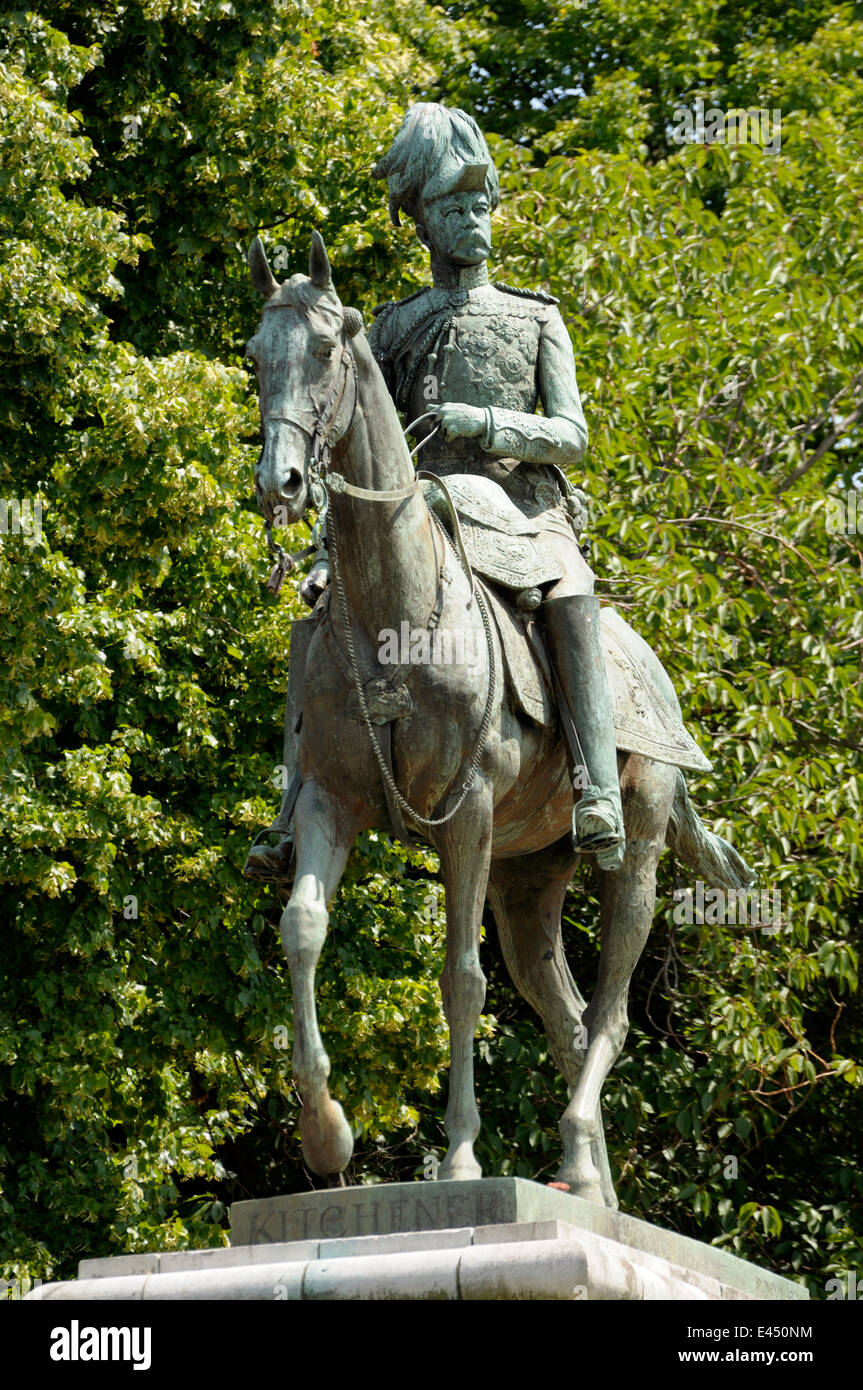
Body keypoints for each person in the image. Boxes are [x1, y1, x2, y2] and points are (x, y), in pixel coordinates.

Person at [244, 103, 624, 881]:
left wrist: (483, 422)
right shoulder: (391, 325)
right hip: (417, 511)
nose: (473, 220)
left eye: (481, 205)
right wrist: (326, 540)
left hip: (519, 511)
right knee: (316, 619)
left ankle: (595, 786)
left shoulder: (534, 316)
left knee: (572, 595)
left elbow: (572, 434)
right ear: (422, 223)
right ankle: (291, 809)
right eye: (453, 207)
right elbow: (356, 431)